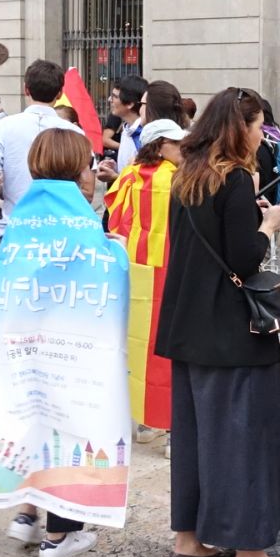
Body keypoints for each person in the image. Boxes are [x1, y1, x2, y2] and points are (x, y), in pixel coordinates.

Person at [157, 87, 280, 557]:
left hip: (188, 327)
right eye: (259, 125)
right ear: (241, 128)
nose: (262, 134)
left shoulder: (187, 175)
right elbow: (243, 257)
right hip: (232, 333)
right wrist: (268, 223)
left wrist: (248, 216)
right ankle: (250, 554)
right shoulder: (236, 178)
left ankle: (190, 542)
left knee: (199, 438)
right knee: (247, 439)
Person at [5, 128, 113, 557]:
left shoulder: (26, 211)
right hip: (68, 344)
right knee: (67, 431)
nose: (91, 173)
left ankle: (26, 513)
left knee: (35, 423)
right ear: (75, 169)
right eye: (87, 164)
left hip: (23, 339)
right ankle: (58, 535)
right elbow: (95, 274)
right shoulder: (77, 217)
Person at [104, 118, 186, 452]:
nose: (183, 148)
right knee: (168, 350)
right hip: (168, 272)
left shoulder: (127, 176)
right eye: (176, 143)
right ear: (159, 146)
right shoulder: (177, 180)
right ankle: (169, 429)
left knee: (136, 348)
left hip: (133, 274)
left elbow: (112, 217)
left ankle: (144, 421)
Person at [0, 60, 90, 237]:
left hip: (15, 232)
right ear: (60, 93)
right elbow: (86, 187)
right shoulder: (74, 132)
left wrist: (4, 190)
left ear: (25, 89)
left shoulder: (4, 127)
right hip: (61, 232)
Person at [105, 76, 149, 165]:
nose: (110, 100)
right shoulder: (127, 130)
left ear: (130, 104)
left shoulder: (144, 135)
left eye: (115, 97)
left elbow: (145, 176)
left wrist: (115, 176)